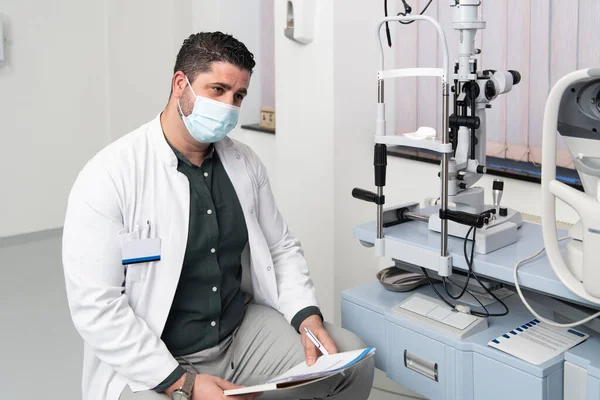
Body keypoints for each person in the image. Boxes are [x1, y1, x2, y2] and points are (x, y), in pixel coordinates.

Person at [62, 31, 374, 400]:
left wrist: (306, 316)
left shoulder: (244, 163)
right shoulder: (111, 175)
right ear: (181, 84)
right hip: (155, 353)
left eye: (238, 95)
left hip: (238, 332)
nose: (229, 105)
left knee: (350, 357)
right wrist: (185, 383)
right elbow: (96, 307)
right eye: (218, 90)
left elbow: (280, 247)